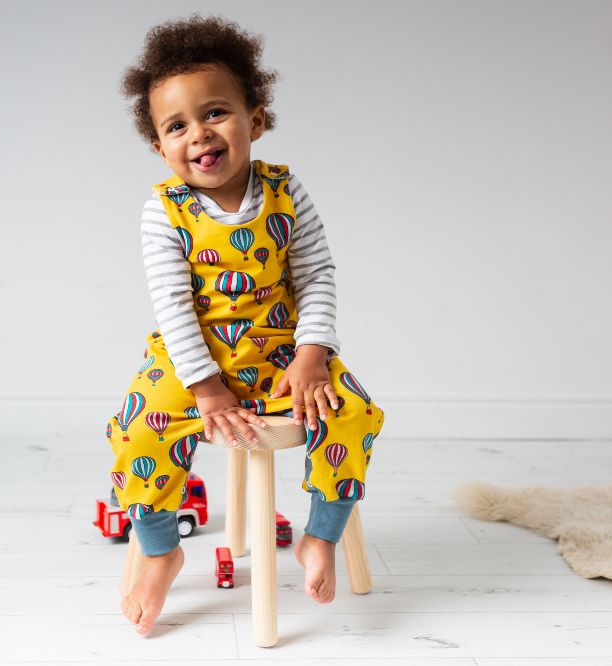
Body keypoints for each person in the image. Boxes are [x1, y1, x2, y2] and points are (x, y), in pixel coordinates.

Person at [106, 13, 385, 636]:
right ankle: (159, 550)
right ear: (160, 146)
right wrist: (205, 387)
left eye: (215, 113)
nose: (199, 134)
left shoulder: (286, 193)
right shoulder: (164, 212)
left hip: (285, 359)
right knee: (134, 428)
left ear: (254, 119)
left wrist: (312, 356)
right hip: (195, 364)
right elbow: (173, 309)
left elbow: (317, 275)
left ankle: (320, 535)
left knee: (355, 412)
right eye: (177, 126)